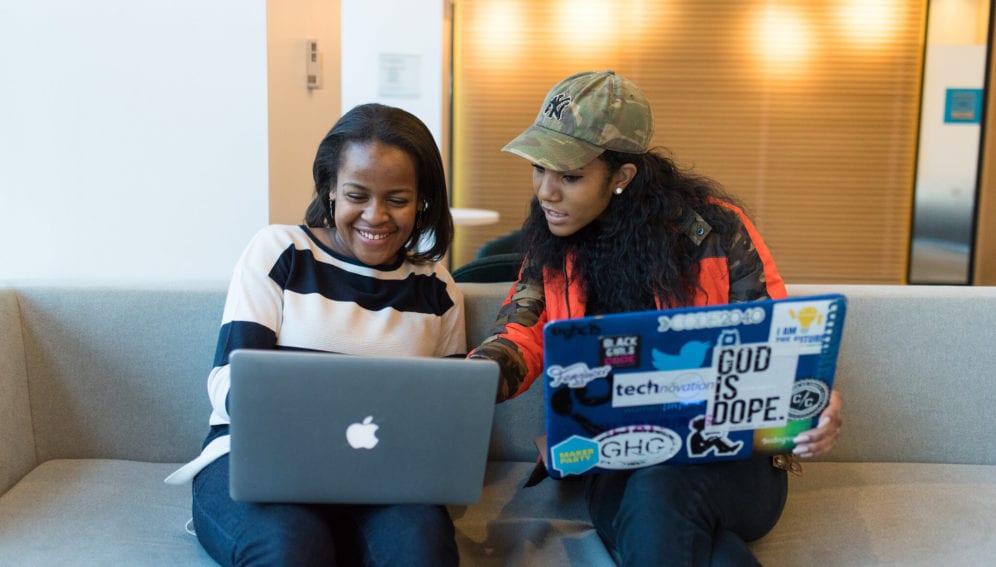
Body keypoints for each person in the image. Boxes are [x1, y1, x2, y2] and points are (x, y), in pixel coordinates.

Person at [468, 71, 843, 566]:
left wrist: (817, 400)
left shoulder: (713, 232)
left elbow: (774, 339)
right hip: (615, 461)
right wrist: (472, 377)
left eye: (570, 176)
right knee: (711, 549)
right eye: (539, 168)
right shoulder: (551, 240)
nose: (546, 192)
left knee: (660, 487)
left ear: (621, 176)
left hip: (731, 460)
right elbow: (522, 331)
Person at [165, 103, 466, 566]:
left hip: (385, 483)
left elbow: (447, 419)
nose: (375, 216)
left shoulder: (437, 288)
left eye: (398, 199)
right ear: (329, 189)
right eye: (356, 194)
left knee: (421, 551)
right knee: (289, 550)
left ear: (423, 199)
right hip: (258, 467)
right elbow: (227, 382)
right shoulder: (280, 252)